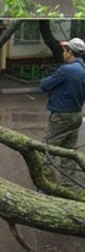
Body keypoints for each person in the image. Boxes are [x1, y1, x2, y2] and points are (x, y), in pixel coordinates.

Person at [39, 37, 85, 186]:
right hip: (77, 114)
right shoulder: (83, 69)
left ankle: (48, 185)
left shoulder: (66, 70)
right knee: (68, 152)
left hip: (61, 116)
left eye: (65, 50)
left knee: (44, 150)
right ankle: (68, 186)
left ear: (70, 52)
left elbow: (45, 86)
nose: (63, 53)